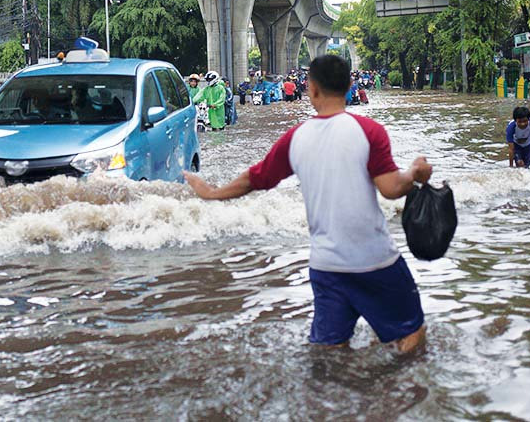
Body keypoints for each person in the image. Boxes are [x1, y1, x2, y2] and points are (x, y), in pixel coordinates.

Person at [184, 55, 432, 352]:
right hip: (374, 260)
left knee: (329, 351)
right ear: (350, 85)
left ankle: (328, 395)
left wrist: (211, 192)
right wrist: (415, 172)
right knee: (411, 334)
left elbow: (256, 179)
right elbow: (392, 189)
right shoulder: (369, 131)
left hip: (326, 265)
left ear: (311, 89)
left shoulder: (296, 138)